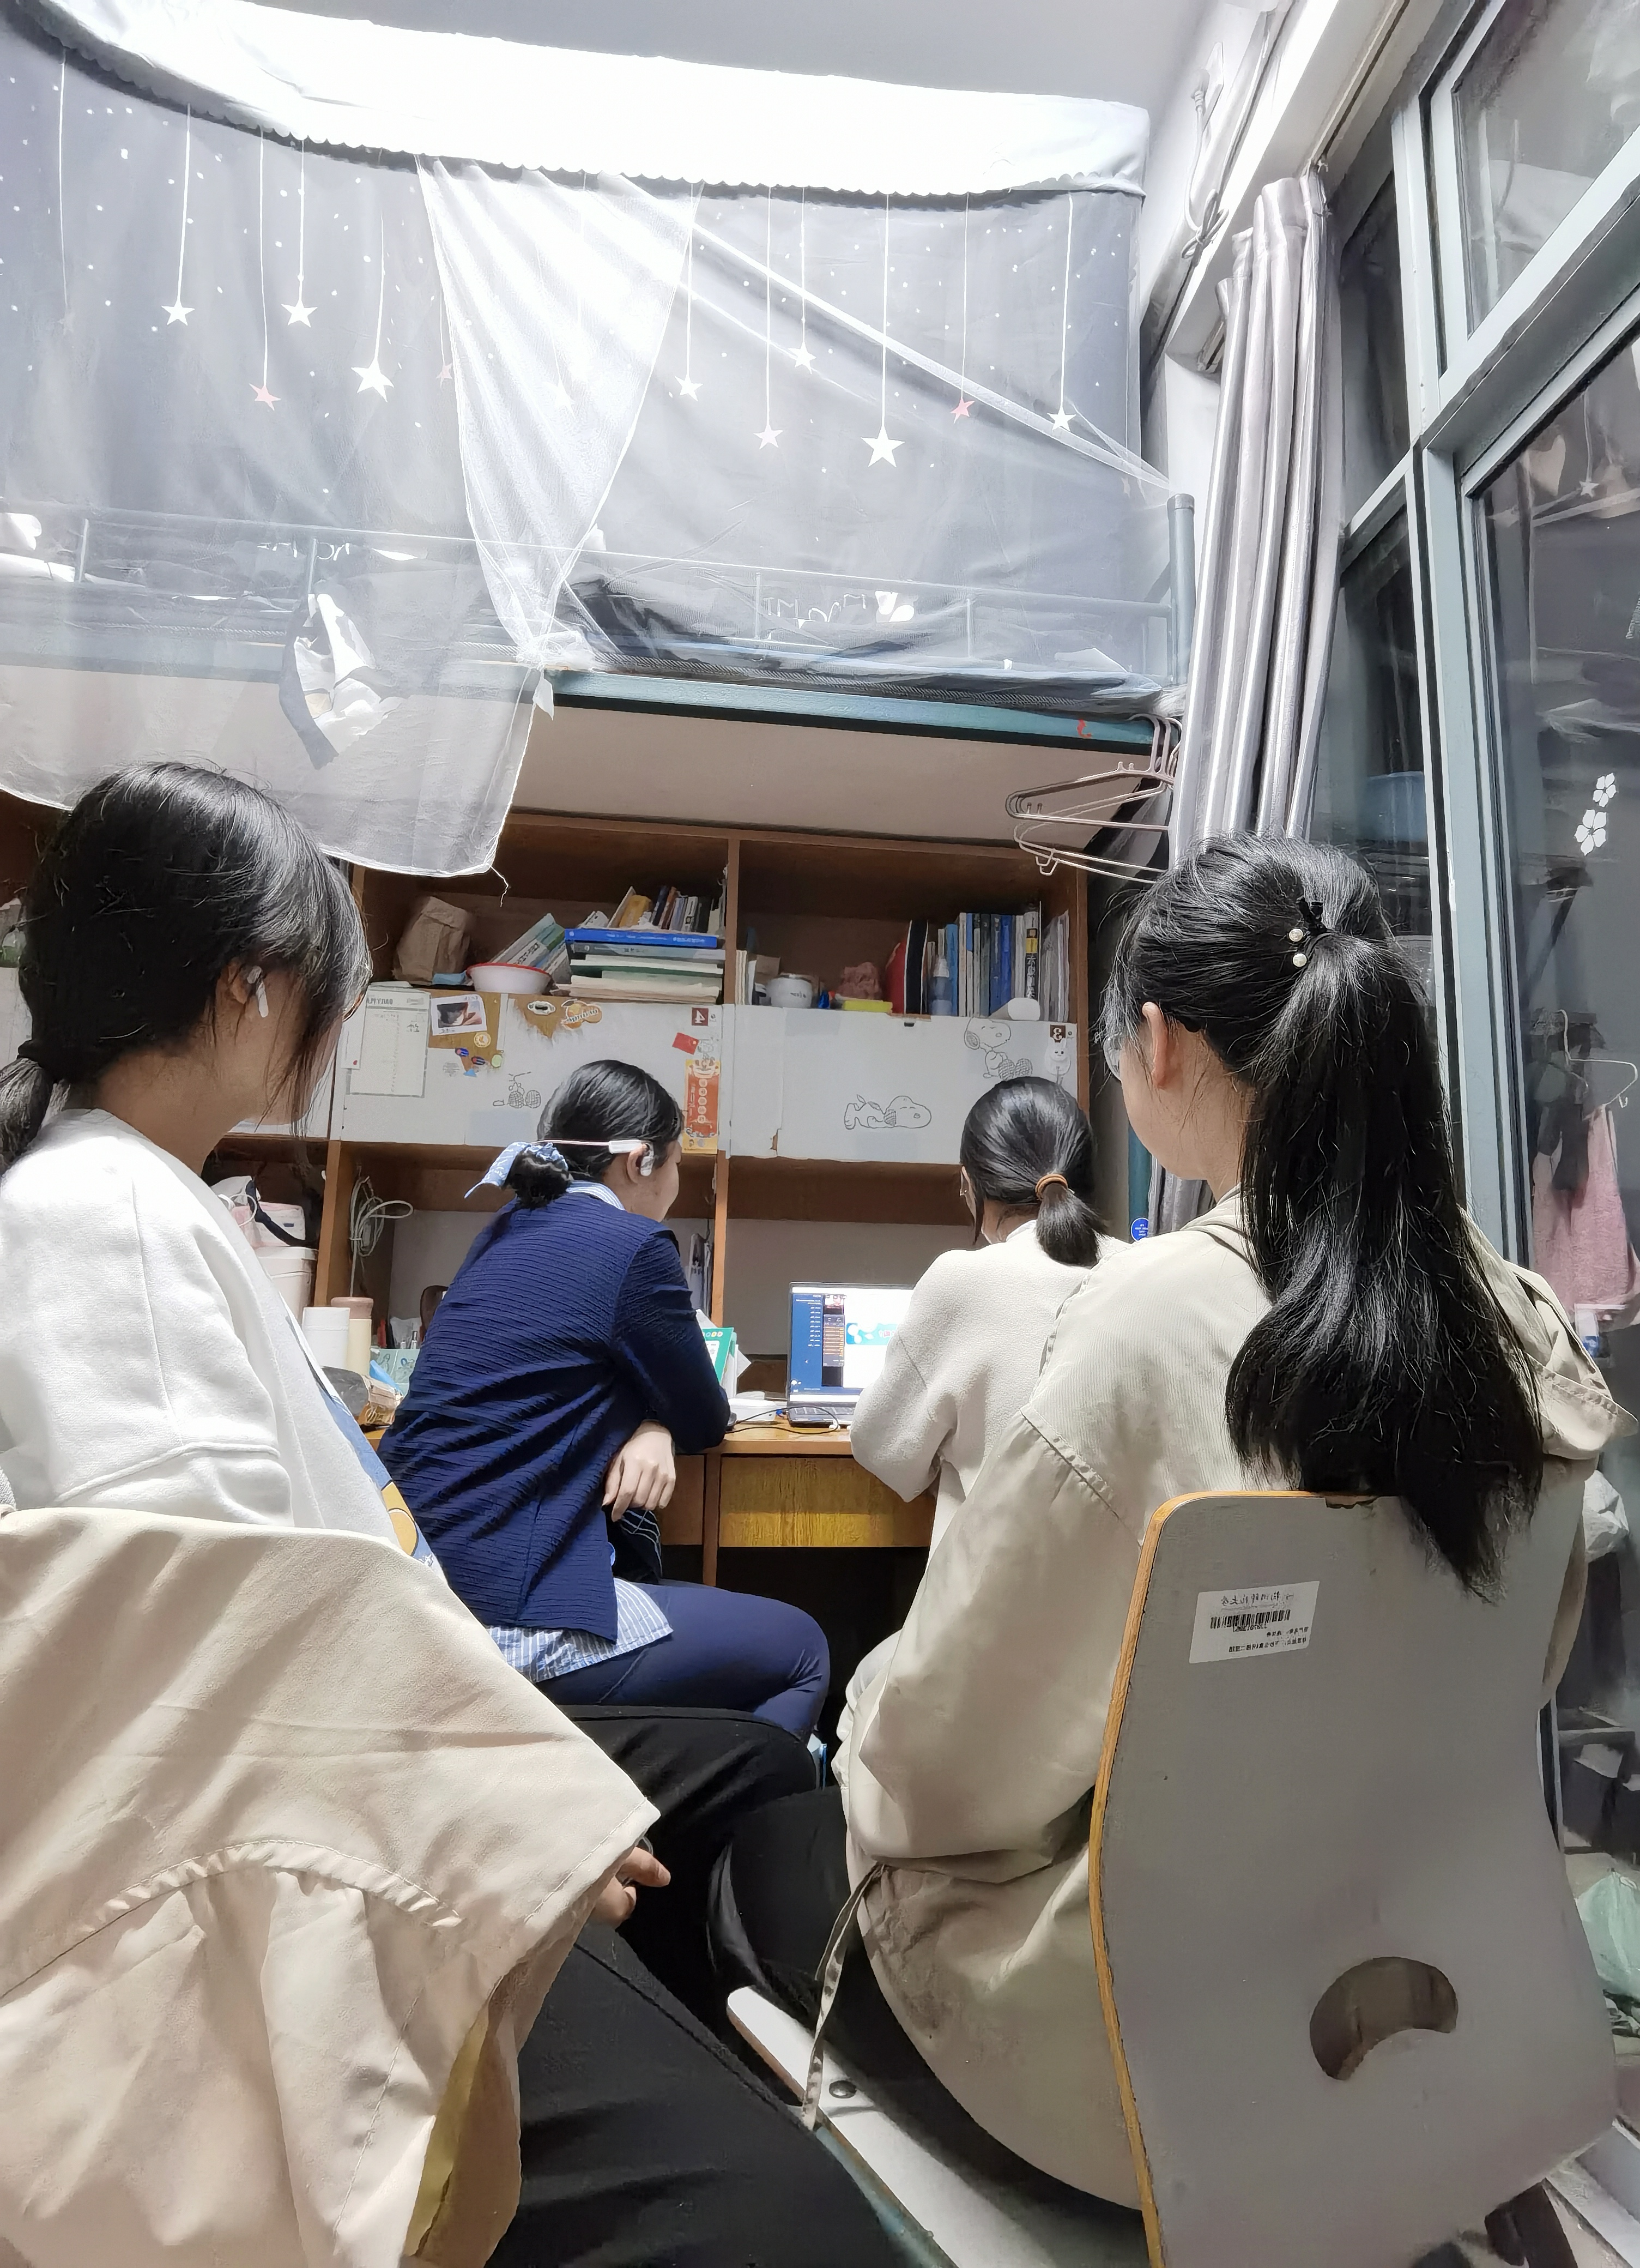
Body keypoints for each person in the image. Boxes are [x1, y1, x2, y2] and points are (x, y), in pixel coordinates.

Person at [0, 762, 906, 2268]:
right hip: (326, 1802)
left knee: (741, 1767)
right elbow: (210, 1674)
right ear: (246, 989)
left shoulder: (211, 1203)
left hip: (421, 1674)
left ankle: (699, 2049)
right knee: (794, 1670)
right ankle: (730, 2086)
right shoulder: (110, 1220)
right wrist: (502, 1813)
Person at [714, 833, 1629, 2206]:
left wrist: (866, 1718)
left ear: (1156, 1041)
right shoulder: (1515, 1313)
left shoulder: (1147, 1326)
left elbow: (948, 1778)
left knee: (756, 1855)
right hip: (1419, 2002)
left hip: (1143, 2069)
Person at [380, 1058, 830, 1736]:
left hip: (416, 1593)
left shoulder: (498, 1232)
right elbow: (705, 1416)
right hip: (512, 1617)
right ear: (640, 1160)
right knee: (803, 1650)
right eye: (678, 1164)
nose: (677, 1185)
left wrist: (649, 1422)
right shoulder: (633, 1244)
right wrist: (662, 1420)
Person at [841, 1075, 1108, 1711]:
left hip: (994, 1646)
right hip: (1116, 1648)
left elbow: (881, 1445)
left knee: (861, 1686)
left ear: (970, 1185)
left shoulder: (962, 1279)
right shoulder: (1146, 1271)